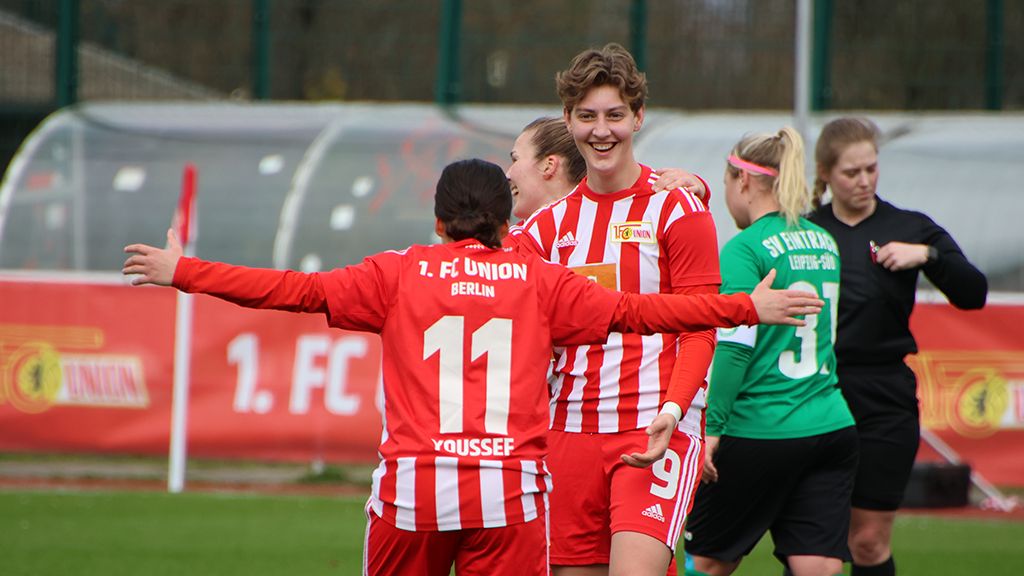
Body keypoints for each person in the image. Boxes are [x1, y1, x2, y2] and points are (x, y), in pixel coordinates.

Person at [123, 158, 823, 576]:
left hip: (412, 491)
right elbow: (645, 312)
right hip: (507, 493)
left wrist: (181, 270)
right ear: (502, 221)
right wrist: (742, 310)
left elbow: (292, 291)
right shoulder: (539, 279)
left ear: (437, 221)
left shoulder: (397, 273)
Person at [514, 43, 721, 576]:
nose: (600, 131)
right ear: (568, 119)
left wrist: (676, 413)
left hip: (656, 426)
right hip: (569, 437)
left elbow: (701, 328)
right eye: (586, 117)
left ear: (638, 117)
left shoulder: (678, 207)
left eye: (614, 116)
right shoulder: (543, 230)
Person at [808, 117, 988, 576]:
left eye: (872, 168)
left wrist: (927, 257)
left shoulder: (909, 227)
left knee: (867, 541)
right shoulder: (804, 230)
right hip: (813, 393)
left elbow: (974, 293)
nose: (865, 180)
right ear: (826, 173)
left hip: (884, 397)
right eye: (852, 172)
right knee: (815, 545)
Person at [683, 127, 858, 576]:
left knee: (705, 562)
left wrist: (713, 428)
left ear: (742, 181)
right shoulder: (825, 242)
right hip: (831, 425)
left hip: (760, 429)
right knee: (817, 567)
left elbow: (735, 347)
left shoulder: (744, 248)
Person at [506, 116, 709, 226]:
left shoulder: (648, 210)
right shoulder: (522, 241)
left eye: (515, 159)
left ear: (549, 165)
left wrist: (698, 193)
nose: (508, 174)